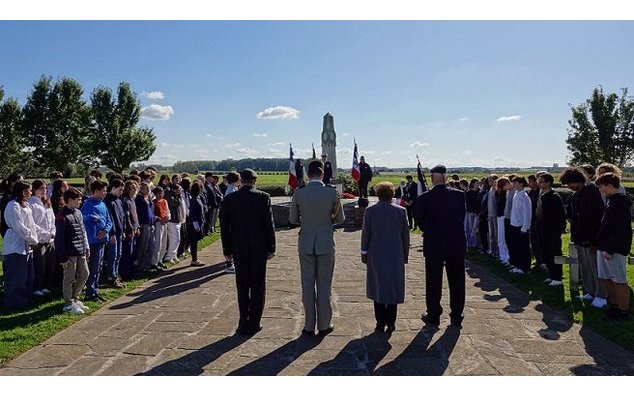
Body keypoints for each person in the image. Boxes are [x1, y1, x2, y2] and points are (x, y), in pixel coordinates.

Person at [289, 160, 345, 336]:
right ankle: (324, 324)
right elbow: (340, 219)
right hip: (326, 242)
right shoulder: (331, 193)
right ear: (322, 174)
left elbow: (292, 219)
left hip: (306, 242)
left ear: (308, 175)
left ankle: (308, 325)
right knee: (324, 284)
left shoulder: (299, 193)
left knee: (307, 284)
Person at [220, 168, 276, 336]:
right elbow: (269, 224)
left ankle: (243, 321)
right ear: (254, 181)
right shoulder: (263, 197)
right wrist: (271, 247)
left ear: (241, 181)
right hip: (259, 248)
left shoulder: (230, 198)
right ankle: (255, 322)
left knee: (242, 286)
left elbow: (224, 226)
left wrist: (227, 248)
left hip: (239, 247)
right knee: (258, 286)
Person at [414, 165, 466, 328]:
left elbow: (420, 223)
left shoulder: (424, 198)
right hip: (455, 242)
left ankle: (434, 314)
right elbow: (461, 216)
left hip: (434, 243)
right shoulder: (459, 196)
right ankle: (456, 315)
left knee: (433, 281)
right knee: (457, 281)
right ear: (446, 176)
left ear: (432, 178)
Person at [360, 181, 409, 333]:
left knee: (378, 287)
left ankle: (380, 322)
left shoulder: (370, 211)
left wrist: (364, 252)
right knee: (393, 287)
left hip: (376, 253)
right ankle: (391, 322)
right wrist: (404, 255)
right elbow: (405, 236)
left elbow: (365, 233)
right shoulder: (401, 211)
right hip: (395, 254)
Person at [560, 167, 607, 308]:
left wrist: (594, 240)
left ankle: (601, 295)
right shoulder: (575, 196)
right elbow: (571, 215)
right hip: (579, 237)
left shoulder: (592, 193)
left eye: (570, 183)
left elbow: (597, 218)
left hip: (591, 238)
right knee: (585, 267)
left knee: (595, 268)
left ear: (578, 181)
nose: (569, 187)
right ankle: (589, 291)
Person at [595, 172, 632, 320]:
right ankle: (614, 305)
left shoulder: (619, 203)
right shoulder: (611, 201)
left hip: (614, 249)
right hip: (604, 246)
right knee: (606, 278)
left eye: (601, 187)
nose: (600, 190)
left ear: (610, 186)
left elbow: (619, 229)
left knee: (618, 280)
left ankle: (623, 310)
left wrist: (610, 249)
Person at [2, 180, 38, 309]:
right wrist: (32, 239)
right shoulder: (13, 206)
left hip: (26, 246)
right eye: (29, 189)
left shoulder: (26, 205)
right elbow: (20, 227)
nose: (31, 192)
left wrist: (34, 239)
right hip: (15, 246)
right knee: (16, 277)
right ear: (23, 191)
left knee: (27, 276)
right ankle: (13, 303)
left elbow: (31, 225)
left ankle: (25, 300)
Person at [55, 187, 90, 315]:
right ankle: (68, 304)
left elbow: (82, 231)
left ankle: (75, 298)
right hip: (69, 253)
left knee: (85, 273)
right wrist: (63, 258)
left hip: (80, 250)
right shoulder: (62, 217)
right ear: (70, 200)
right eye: (78, 199)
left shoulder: (78, 213)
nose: (80, 202)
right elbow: (59, 239)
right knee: (69, 278)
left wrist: (86, 248)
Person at [81, 179, 113, 302]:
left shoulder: (103, 204)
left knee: (98, 267)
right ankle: (90, 293)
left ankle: (95, 290)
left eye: (105, 191)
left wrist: (106, 230)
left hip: (102, 240)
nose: (105, 193)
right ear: (95, 191)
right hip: (92, 241)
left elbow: (109, 221)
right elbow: (81, 218)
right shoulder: (87, 204)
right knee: (93, 268)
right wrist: (90, 218)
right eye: (103, 191)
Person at [535, 173, 566, 287]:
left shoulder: (554, 196)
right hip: (542, 229)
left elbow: (561, 215)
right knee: (546, 253)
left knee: (555, 252)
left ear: (548, 183)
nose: (539, 183)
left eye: (542, 181)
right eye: (539, 181)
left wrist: (559, 229)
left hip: (552, 231)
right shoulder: (541, 195)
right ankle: (551, 274)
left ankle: (558, 277)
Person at [28, 180, 57, 296]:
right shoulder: (31, 203)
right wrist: (45, 234)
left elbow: (52, 220)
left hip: (50, 239)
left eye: (45, 188)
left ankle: (45, 285)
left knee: (50, 265)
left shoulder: (47, 203)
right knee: (40, 265)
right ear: (34, 189)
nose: (44, 190)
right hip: (39, 239)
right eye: (41, 188)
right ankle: (36, 287)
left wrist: (52, 232)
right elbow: (32, 223)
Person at [508, 177, 532, 274]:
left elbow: (527, 213)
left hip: (521, 226)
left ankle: (525, 267)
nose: (514, 185)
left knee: (523, 247)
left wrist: (525, 227)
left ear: (522, 184)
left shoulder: (524, 196)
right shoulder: (516, 194)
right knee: (517, 246)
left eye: (516, 183)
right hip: (515, 224)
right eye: (514, 183)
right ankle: (518, 265)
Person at [188, 180, 206, 267]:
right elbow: (193, 214)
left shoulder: (198, 198)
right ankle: (194, 260)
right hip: (195, 224)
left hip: (199, 223)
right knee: (193, 242)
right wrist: (196, 226)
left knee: (195, 242)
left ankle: (195, 258)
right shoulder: (193, 199)